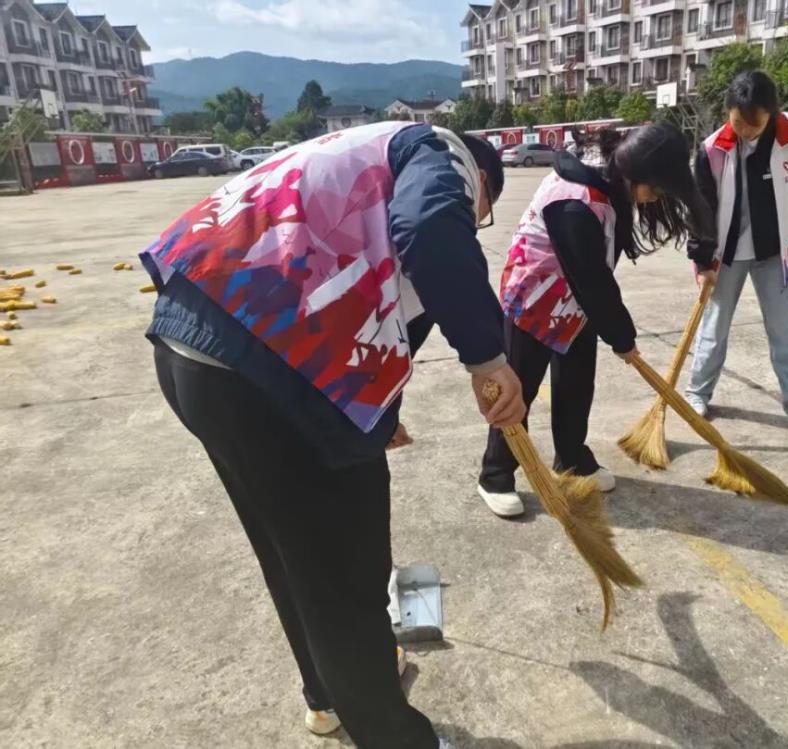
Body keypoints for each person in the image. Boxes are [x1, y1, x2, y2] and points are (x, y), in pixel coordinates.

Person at [138, 121, 526, 749]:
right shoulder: (437, 151)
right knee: (347, 577)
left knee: (294, 555)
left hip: (192, 348)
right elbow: (429, 233)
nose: (473, 224)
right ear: (480, 181)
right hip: (266, 371)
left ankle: (329, 695)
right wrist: (488, 357)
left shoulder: (356, 152)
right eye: (479, 215)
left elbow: (385, 299)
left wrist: (381, 412)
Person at [478, 123, 711, 517]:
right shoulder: (573, 203)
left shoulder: (614, 174)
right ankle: (496, 475)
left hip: (576, 304)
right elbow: (593, 281)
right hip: (533, 298)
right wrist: (622, 338)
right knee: (519, 390)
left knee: (576, 384)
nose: (655, 199)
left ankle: (571, 459)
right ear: (638, 173)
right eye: (656, 190)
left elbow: (591, 278)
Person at [685, 70, 788, 433]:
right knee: (714, 327)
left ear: (772, 114)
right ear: (727, 111)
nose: (745, 131)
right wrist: (702, 259)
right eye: (738, 122)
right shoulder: (712, 150)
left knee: (783, 328)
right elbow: (701, 209)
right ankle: (698, 393)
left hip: (774, 250)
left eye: (754, 124)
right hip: (727, 255)